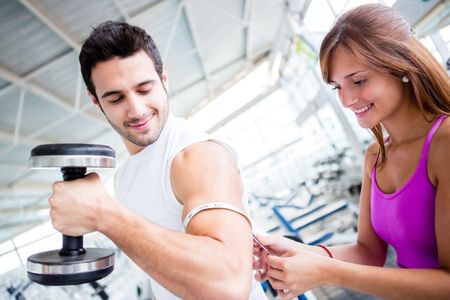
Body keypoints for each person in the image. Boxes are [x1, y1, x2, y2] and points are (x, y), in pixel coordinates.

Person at [47, 21, 266, 299]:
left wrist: (105, 214)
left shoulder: (196, 156)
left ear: (164, 79)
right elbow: (162, 273)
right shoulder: (124, 178)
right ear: (95, 100)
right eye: (115, 98)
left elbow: (229, 284)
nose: (136, 110)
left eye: (144, 89)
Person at [253, 3, 450, 299]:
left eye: (358, 81)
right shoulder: (375, 156)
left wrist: (325, 271)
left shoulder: (444, 144)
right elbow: (368, 252)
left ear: (401, 66)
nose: (346, 100)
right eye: (337, 87)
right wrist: (302, 252)